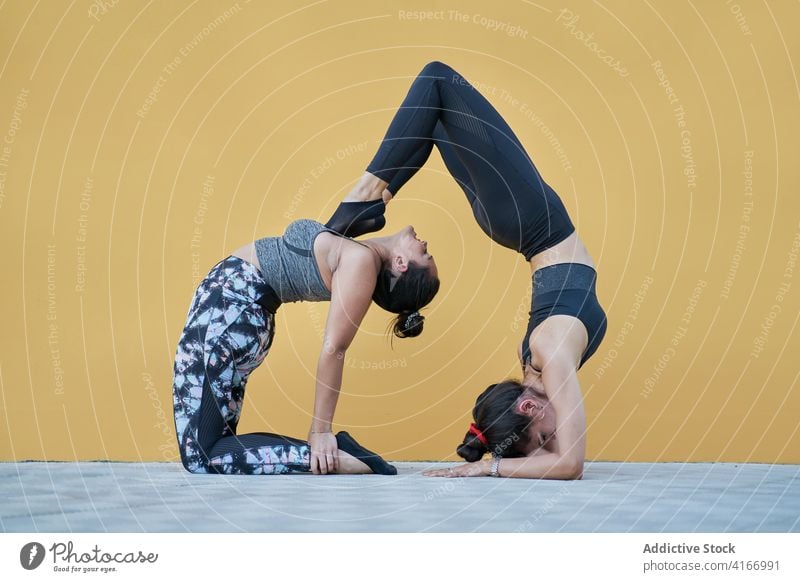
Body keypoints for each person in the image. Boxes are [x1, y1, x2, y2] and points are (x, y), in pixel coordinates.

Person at [325, 60, 606, 479]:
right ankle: (374, 200)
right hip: (517, 222)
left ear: (528, 406)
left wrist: (488, 469)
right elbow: (564, 460)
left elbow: (570, 464)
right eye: (547, 442)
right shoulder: (542, 356)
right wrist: (500, 461)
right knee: (436, 121)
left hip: (529, 219)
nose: (557, 437)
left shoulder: (549, 353)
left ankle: (367, 194)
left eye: (545, 436)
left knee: (438, 80)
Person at [171, 218, 439, 475]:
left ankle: (329, 458)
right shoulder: (358, 244)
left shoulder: (360, 260)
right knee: (214, 445)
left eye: (425, 255)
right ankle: (323, 457)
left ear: (401, 262)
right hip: (236, 314)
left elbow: (335, 347)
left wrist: (321, 431)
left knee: (201, 454)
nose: (425, 245)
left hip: (228, 311)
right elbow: (376, 182)